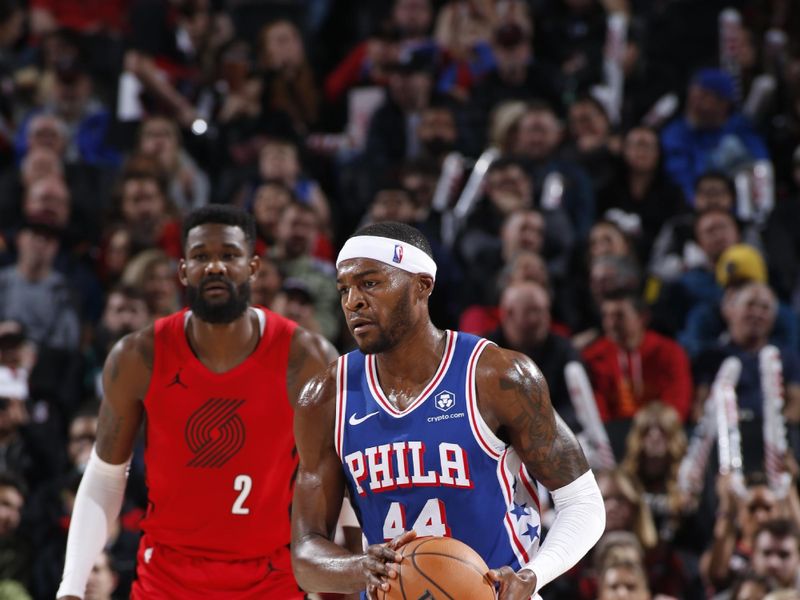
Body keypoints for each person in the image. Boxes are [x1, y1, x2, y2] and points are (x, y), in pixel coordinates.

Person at [291, 221, 605, 599]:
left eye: (370, 283)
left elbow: (583, 502)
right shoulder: (326, 397)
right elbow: (306, 552)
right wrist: (359, 567)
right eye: (344, 289)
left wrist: (533, 575)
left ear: (422, 286)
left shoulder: (497, 376)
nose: (352, 301)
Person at [57, 205, 335, 599]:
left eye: (229, 255)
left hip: (268, 577)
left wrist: (330, 588)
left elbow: (330, 480)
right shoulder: (138, 356)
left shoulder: (305, 358)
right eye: (202, 256)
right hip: (166, 577)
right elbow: (104, 476)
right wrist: (71, 587)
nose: (215, 267)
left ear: (253, 267)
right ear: (183, 270)